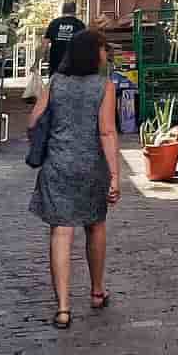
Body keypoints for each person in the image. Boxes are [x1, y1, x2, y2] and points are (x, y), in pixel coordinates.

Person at [27, 27, 120, 327]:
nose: (106, 55)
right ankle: (96, 291)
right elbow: (106, 130)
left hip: (58, 166)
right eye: (104, 49)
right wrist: (115, 174)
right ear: (94, 53)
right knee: (95, 226)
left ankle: (64, 308)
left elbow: (33, 120)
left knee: (61, 233)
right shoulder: (104, 86)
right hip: (91, 166)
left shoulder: (55, 82)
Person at [41, 0, 86, 78]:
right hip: (74, 67)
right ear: (75, 11)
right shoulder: (80, 25)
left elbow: (44, 45)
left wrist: (38, 61)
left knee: (55, 89)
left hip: (56, 65)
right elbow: (85, 47)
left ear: (62, 10)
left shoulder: (54, 23)